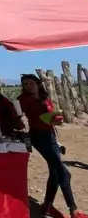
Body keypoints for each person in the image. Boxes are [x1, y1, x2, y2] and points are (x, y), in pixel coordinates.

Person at [18, 74, 86, 218]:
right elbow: (16, 116)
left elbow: (50, 117)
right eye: (25, 84)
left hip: (51, 136)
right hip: (39, 137)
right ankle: (73, 210)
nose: (28, 86)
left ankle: (47, 206)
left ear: (38, 83)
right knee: (64, 173)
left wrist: (56, 120)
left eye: (30, 83)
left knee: (55, 173)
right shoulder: (23, 100)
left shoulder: (44, 97)